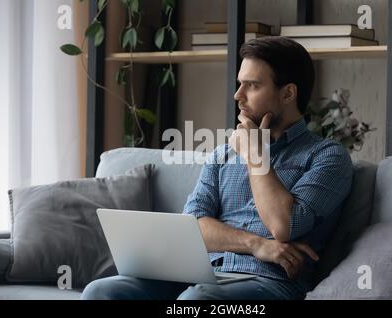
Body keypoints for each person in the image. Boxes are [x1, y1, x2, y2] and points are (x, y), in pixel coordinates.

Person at [81, 36, 353, 300]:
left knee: (197, 300)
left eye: (252, 86)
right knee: (102, 291)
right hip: (203, 276)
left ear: (288, 93)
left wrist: (254, 153)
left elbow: (284, 225)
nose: (238, 95)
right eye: (239, 84)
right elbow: (193, 227)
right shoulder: (223, 155)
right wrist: (256, 244)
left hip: (269, 283)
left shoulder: (327, 156)